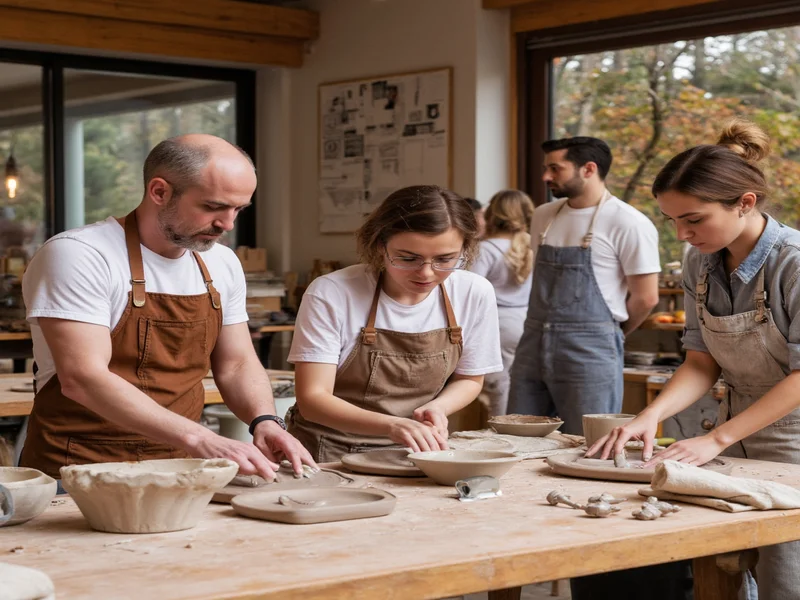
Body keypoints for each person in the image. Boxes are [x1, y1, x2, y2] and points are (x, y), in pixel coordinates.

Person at [20, 134, 315, 481]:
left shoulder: (222, 263)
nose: (228, 224)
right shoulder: (79, 254)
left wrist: (265, 421)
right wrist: (203, 438)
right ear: (159, 192)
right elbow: (83, 378)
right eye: (212, 207)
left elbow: (236, 363)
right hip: (78, 471)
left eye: (238, 209)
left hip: (181, 467)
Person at [589, 119, 800, 600]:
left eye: (695, 219)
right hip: (730, 430)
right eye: (673, 221)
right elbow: (701, 360)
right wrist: (651, 414)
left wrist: (716, 439)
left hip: (793, 439)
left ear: (745, 203)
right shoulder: (699, 261)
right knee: (723, 570)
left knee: (786, 581)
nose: (683, 233)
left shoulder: (793, 262)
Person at [286, 185, 503, 462]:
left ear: (466, 249)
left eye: (445, 259)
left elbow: (470, 379)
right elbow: (313, 399)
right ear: (380, 246)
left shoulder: (474, 292)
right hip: (328, 451)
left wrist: (438, 407)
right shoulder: (332, 292)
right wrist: (392, 426)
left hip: (418, 453)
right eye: (408, 258)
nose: (426, 273)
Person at [508, 136, 660, 434]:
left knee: (589, 441)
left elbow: (647, 298)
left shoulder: (629, 222)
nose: (546, 177)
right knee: (518, 436)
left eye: (555, 168)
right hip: (533, 342)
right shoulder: (543, 216)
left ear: (588, 169)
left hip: (590, 350)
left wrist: (608, 334)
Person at [469, 190, 534, 416]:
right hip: (526, 321)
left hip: (498, 324)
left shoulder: (485, 249)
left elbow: (470, 289)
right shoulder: (531, 245)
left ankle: (503, 436)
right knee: (519, 385)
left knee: (499, 387)